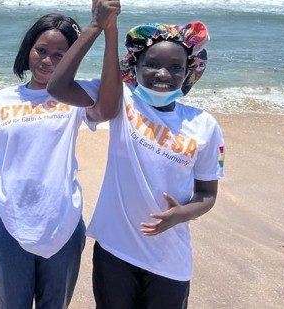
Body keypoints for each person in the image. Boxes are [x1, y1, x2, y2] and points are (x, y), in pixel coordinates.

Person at [48, 20, 224, 308]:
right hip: (116, 250)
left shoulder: (204, 125)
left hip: (170, 260)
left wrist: (180, 215)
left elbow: (207, 194)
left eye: (175, 67)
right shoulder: (121, 98)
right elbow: (59, 87)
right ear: (135, 66)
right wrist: (101, 27)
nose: (163, 74)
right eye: (152, 64)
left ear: (189, 72)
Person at [0, 0, 121, 308]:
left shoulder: (76, 94)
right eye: (41, 51)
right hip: (10, 223)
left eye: (60, 55)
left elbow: (108, 108)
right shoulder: (3, 100)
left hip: (61, 223)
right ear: (28, 50)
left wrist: (106, 29)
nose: (48, 60)